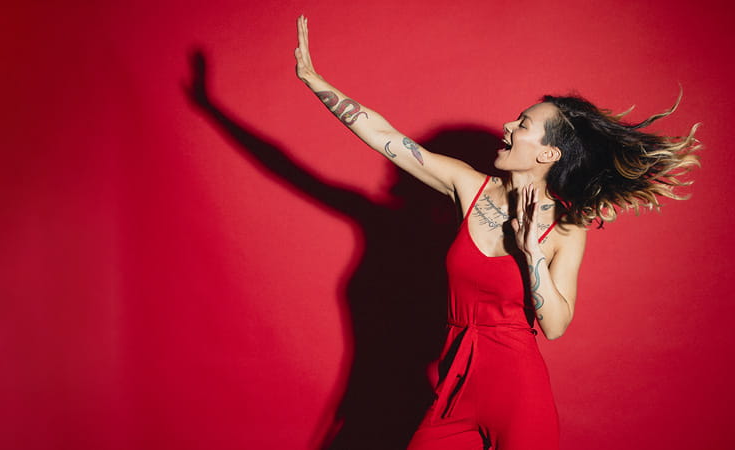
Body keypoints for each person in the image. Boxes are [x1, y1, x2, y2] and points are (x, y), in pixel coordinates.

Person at [293, 15, 700, 450]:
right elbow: (384, 136)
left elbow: (557, 326)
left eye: (523, 124)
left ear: (548, 152)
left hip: (519, 396)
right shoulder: (467, 185)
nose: (507, 125)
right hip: (453, 389)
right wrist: (313, 80)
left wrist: (531, 255)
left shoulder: (567, 227)